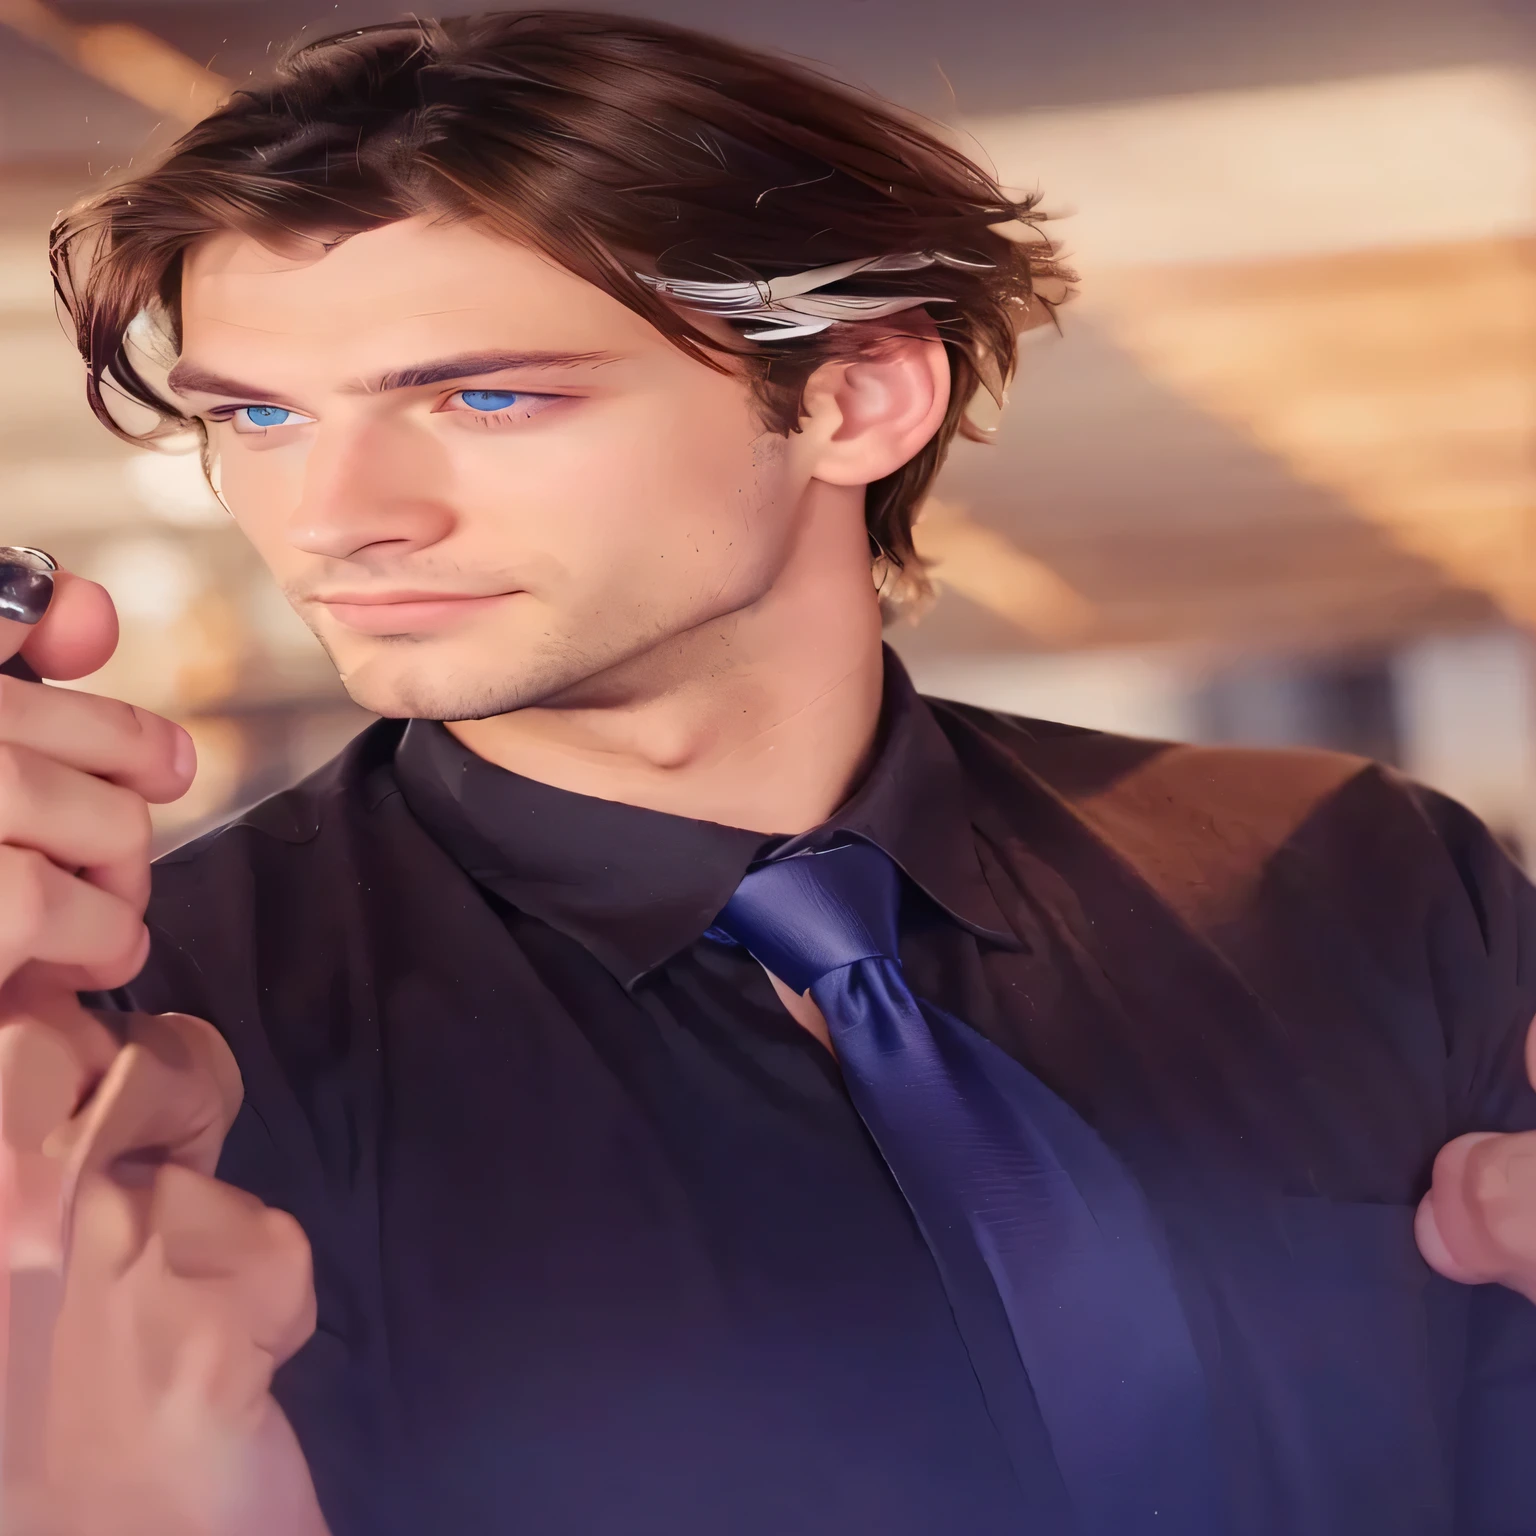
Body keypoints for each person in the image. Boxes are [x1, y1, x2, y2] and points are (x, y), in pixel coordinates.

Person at [2, 11, 1534, 1534]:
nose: (340, 516)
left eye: (483, 397)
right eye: (259, 417)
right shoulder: (170, 1042)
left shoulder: (1358, 878)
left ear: (858, 399)